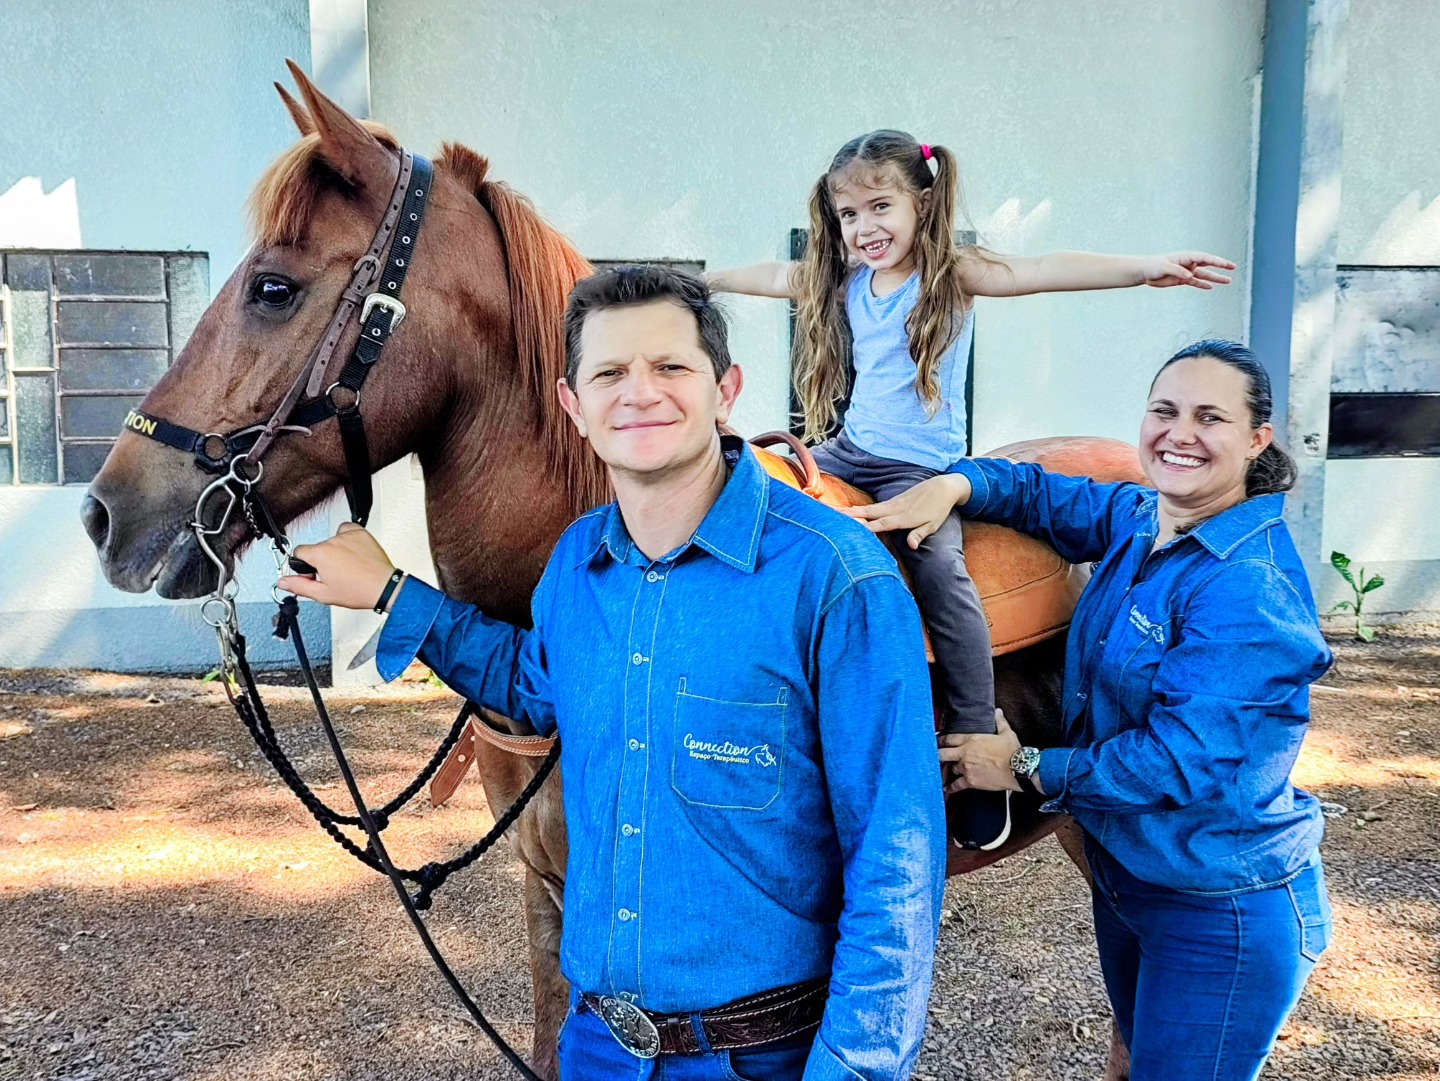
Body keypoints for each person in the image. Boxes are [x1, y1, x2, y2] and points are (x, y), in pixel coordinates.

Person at [276, 265, 946, 1080]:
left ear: (725, 389)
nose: (640, 393)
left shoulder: (836, 578)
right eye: (610, 373)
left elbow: (896, 855)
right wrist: (389, 594)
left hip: (759, 1057)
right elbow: (537, 684)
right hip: (598, 1048)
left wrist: (856, 1067)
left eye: (671, 367)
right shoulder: (576, 565)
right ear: (575, 407)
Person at [706, 128, 1235, 852]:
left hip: (919, 468)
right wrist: (701, 283)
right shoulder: (846, 281)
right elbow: (774, 276)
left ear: (923, 202)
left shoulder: (951, 276)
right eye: (848, 215)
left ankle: (978, 736)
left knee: (941, 572)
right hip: (849, 449)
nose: (864, 229)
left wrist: (1146, 268)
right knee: (761, 502)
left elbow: (1046, 267)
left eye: (880, 207)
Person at [848, 339, 1334, 1081]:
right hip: (1133, 882)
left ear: (1257, 438)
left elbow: (1181, 762)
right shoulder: (1146, 519)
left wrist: (1022, 765)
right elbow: (1044, 495)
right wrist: (955, 483)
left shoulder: (1249, 590)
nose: (1180, 433)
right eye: (1165, 411)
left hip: (1217, 903)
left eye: (1211, 417)